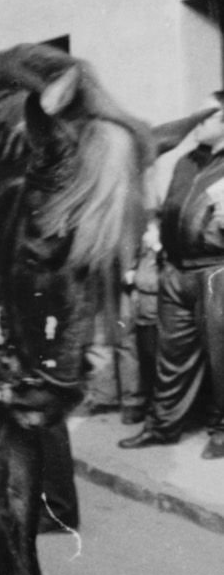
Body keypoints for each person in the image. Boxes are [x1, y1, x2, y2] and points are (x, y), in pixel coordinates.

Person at [119, 95, 224, 459]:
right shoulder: (185, 162)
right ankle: (162, 427)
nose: (194, 122)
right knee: (171, 354)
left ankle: (222, 432)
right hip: (176, 270)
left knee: (221, 357)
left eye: (204, 115)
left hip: (216, 271)